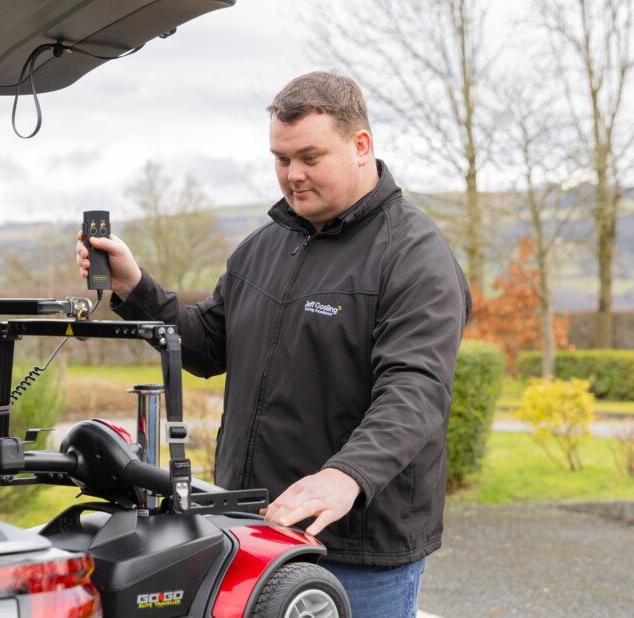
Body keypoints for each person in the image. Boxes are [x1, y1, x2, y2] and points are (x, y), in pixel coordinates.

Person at [76, 71, 471, 618]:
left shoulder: (413, 255)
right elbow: (210, 345)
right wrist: (135, 289)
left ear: (361, 146)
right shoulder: (263, 246)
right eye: (281, 159)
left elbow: (416, 391)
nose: (293, 175)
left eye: (310, 157)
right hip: (249, 534)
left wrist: (346, 475)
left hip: (354, 546)